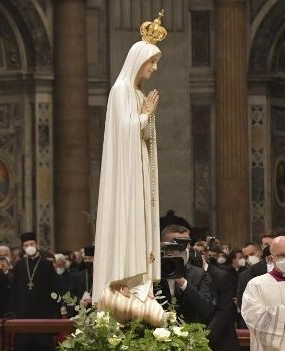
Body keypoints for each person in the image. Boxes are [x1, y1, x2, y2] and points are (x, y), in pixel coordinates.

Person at [92, 11, 167, 327]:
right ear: (138, 61)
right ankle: (124, 283)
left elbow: (144, 136)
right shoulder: (121, 91)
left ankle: (141, 288)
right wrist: (144, 115)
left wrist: (148, 117)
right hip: (127, 177)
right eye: (151, 62)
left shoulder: (136, 94)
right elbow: (122, 133)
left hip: (139, 173)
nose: (154, 68)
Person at [8, 232, 60, 351]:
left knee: (42, 342)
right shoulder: (19, 265)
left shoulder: (47, 265)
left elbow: (54, 289)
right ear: (22, 248)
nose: (29, 247)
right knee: (23, 343)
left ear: (36, 245)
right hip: (23, 312)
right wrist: (13, 312)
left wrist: (54, 311)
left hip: (43, 312)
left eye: (31, 244)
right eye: (26, 245)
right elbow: (14, 290)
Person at [154, 226, 214, 325]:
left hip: (190, 334)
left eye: (185, 245)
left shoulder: (199, 274)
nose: (179, 250)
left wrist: (182, 282)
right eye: (174, 245)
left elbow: (207, 309)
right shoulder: (153, 273)